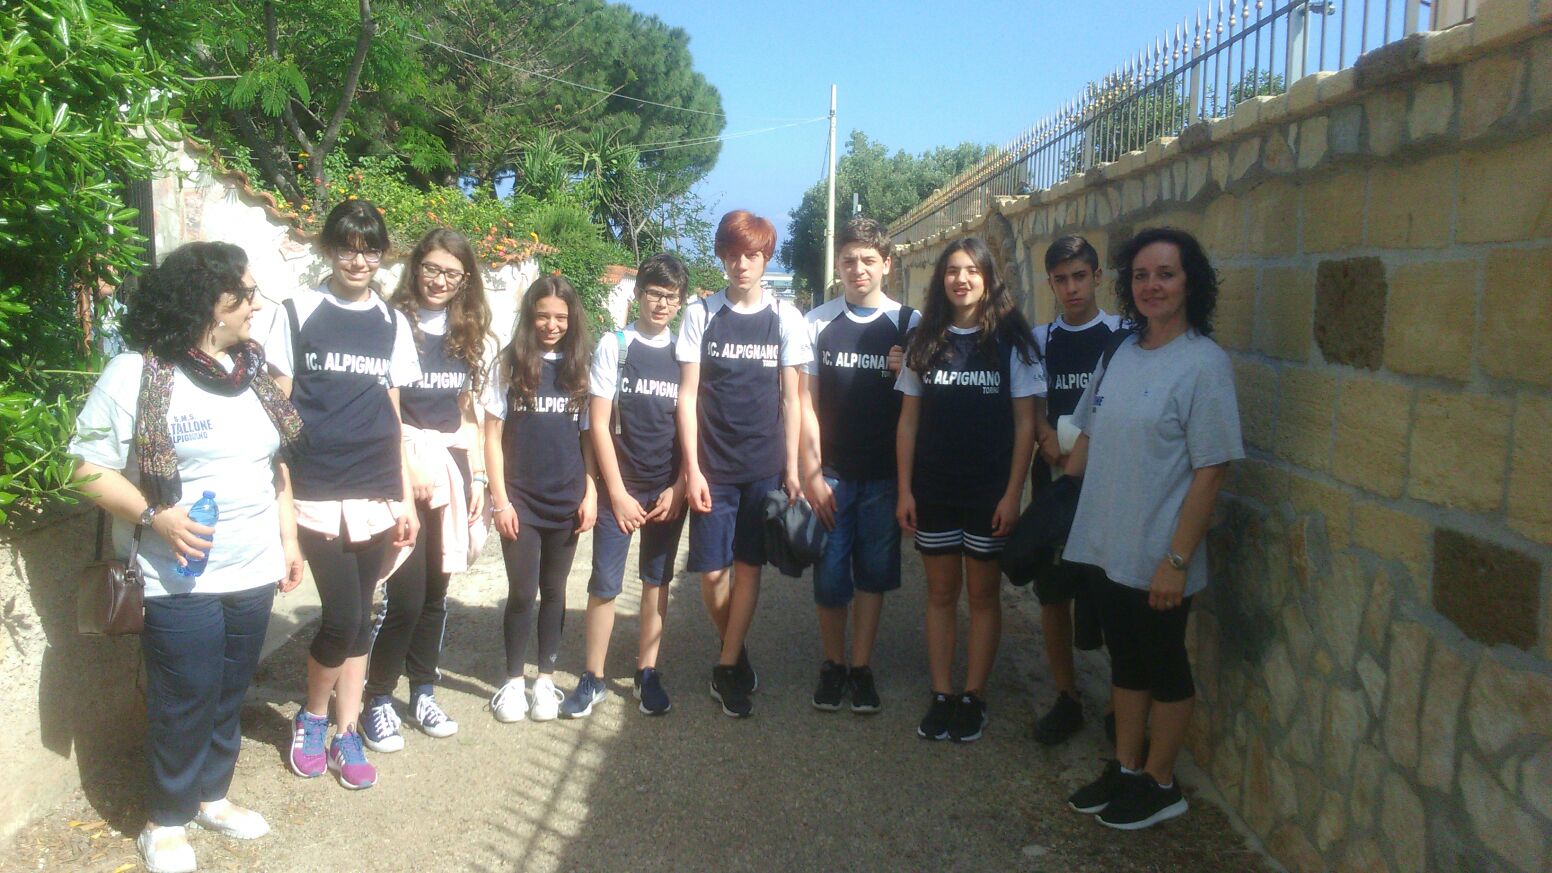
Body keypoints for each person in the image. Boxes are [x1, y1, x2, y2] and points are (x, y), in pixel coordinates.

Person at [71, 242, 305, 873]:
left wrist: (288, 541)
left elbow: (275, 466)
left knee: (229, 691)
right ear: (209, 303)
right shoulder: (138, 374)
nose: (257, 305)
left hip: (252, 566)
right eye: (246, 293)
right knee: (185, 698)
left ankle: (211, 796)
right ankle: (166, 819)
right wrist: (155, 516)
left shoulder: (252, 372)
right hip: (178, 578)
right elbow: (85, 469)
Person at [1063, 228, 1242, 830]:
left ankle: (1162, 783)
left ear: (1191, 282)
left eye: (1165, 273)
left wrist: (1177, 560)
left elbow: (1211, 470)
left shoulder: (1203, 365)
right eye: (1141, 275)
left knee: (1164, 666)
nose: (1151, 286)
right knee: (1126, 662)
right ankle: (1127, 767)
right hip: (1106, 545)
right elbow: (1088, 435)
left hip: (1160, 554)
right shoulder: (1120, 352)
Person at [265, 199, 422, 791]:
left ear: (382, 255)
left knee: (363, 619)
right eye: (348, 248)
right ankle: (312, 717)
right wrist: (281, 506)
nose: (359, 261)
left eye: (370, 250)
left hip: (375, 489)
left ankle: (346, 731)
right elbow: (278, 410)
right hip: (316, 488)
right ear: (329, 249)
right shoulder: (297, 311)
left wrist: (405, 500)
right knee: (344, 616)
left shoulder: (391, 322)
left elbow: (394, 414)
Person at [896, 237, 1042, 743]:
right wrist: (905, 490)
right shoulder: (925, 341)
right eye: (952, 270)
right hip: (934, 490)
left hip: (988, 493)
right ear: (941, 279)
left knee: (982, 596)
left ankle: (974, 696)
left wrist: (1013, 494)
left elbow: (1025, 426)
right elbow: (908, 423)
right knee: (940, 593)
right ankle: (942, 693)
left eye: (972, 271)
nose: (961, 279)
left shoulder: (1013, 342)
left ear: (988, 278)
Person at [361, 229, 493, 752]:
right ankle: (376, 697)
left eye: (451, 273)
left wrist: (477, 475)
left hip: (451, 467)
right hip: (403, 466)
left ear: (465, 280)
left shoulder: (469, 331)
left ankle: (423, 691)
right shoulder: (391, 323)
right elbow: (381, 405)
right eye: (432, 269)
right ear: (416, 268)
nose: (440, 281)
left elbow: (467, 409)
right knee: (405, 596)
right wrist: (403, 469)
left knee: (437, 594)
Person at [676, 210, 812, 718]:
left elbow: (793, 399)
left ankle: (728, 665)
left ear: (765, 258)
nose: (741, 264)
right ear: (722, 257)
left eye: (751, 255)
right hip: (713, 467)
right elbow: (687, 397)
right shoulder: (701, 314)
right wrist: (692, 469)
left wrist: (793, 468)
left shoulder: (786, 317)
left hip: (763, 465)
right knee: (712, 573)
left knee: (749, 566)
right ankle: (736, 650)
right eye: (732, 255)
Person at [561, 254, 688, 718]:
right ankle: (593, 676)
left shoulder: (684, 353)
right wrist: (614, 492)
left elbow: (693, 427)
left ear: (680, 302)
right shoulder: (615, 347)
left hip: (666, 490)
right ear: (638, 294)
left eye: (671, 296)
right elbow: (597, 423)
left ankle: (646, 673)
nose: (661, 304)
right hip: (622, 487)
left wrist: (679, 487)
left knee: (657, 582)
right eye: (654, 293)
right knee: (604, 583)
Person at [799, 217, 916, 713]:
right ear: (838, 265)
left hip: (884, 476)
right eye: (849, 260)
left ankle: (861, 666)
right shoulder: (817, 322)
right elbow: (805, 404)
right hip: (833, 475)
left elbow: (921, 403)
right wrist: (810, 473)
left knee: (873, 575)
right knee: (830, 577)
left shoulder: (909, 323)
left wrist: (909, 368)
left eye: (869, 259)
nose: (858, 268)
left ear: (887, 264)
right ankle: (833, 664)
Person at [483, 274, 597, 723]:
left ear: (572, 320)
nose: (552, 325)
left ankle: (545, 681)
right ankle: (513, 682)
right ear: (530, 316)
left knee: (554, 591)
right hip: (521, 502)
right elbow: (492, 437)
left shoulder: (580, 366)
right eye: (543, 316)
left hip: (566, 500)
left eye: (561, 317)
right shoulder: (509, 364)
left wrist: (591, 493)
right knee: (521, 591)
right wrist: (500, 500)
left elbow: (589, 437)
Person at [1027, 235, 1127, 746]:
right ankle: (1066, 697)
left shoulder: (1122, 335)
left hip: (1109, 486)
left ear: (1097, 277)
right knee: (1053, 595)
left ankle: (1118, 706)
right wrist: (1044, 435)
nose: (1072, 288)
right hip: (1054, 484)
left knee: (1112, 596)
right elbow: (1031, 401)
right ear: (1050, 283)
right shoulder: (1040, 339)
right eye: (1061, 279)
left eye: (1080, 277)